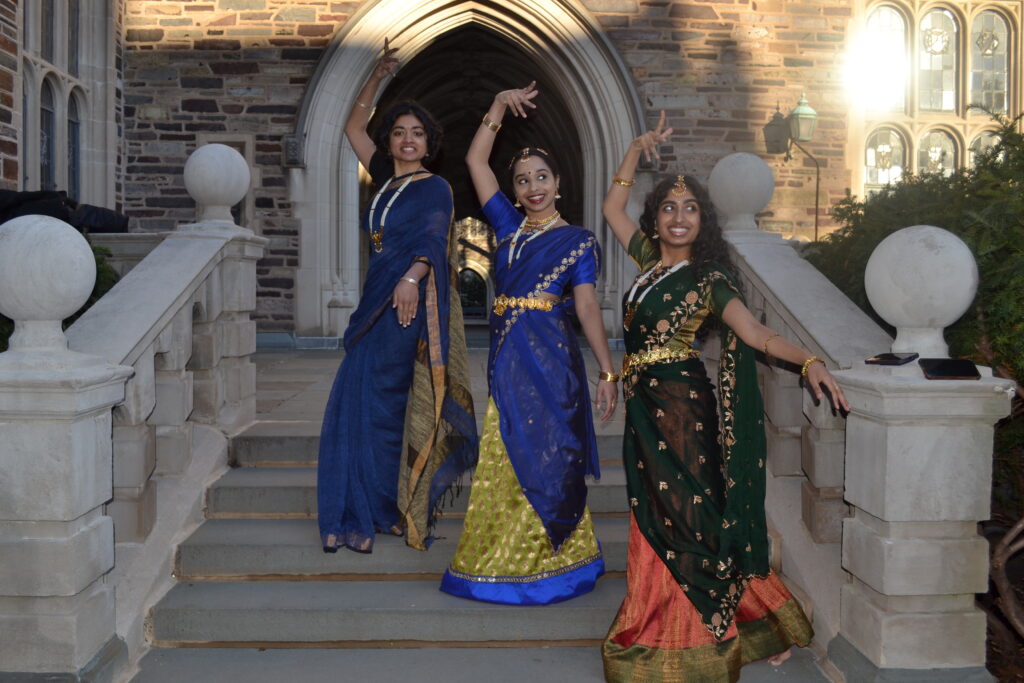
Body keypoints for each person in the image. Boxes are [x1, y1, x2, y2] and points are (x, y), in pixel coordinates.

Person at [600, 112, 851, 681]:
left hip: (683, 408)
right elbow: (612, 209)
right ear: (656, 219)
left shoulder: (710, 281)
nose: (679, 216)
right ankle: (663, 619)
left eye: (690, 208)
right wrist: (635, 149)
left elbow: (757, 334)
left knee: (694, 517)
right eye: (668, 207)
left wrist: (809, 361)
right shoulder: (644, 265)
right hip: (642, 407)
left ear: (703, 220)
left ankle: (730, 626)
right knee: (653, 511)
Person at [439, 83, 618, 605]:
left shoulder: (580, 241)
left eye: (542, 177)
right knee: (506, 452)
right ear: (513, 192)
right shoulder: (506, 228)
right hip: (508, 361)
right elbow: (475, 158)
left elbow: (586, 307)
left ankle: (559, 562)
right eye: (523, 180)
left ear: (558, 184)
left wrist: (607, 372)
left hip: (554, 365)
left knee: (554, 455)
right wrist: (495, 106)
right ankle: (500, 563)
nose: (533, 186)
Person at [317, 39, 477, 554]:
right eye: (400, 133)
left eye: (418, 134)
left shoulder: (435, 188)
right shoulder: (384, 179)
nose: (408, 140)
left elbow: (433, 240)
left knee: (384, 407)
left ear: (430, 144)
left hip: (404, 303)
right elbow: (351, 127)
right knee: (355, 405)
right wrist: (376, 79)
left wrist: (410, 279)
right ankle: (349, 511)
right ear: (390, 142)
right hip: (373, 302)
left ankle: (379, 509)